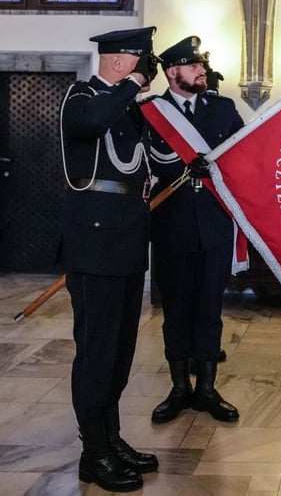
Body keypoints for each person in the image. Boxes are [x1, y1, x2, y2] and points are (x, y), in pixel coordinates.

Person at [59, 26, 160, 491]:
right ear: (120, 61)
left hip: (127, 240)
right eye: (142, 62)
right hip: (94, 244)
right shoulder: (82, 97)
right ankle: (92, 452)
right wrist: (132, 87)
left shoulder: (127, 105)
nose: (146, 70)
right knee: (96, 351)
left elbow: (154, 158)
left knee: (120, 351)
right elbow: (91, 125)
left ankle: (111, 438)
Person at [148, 36, 244, 424]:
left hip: (215, 225)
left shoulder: (223, 110)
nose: (201, 70)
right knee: (176, 309)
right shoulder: (150, 112)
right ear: (172, 73)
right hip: (172, 227)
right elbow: (144, 164)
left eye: (202, 65)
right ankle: (179, 389)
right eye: (192, 66)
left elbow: (242, 156)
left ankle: (206, 388)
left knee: (210, 308)